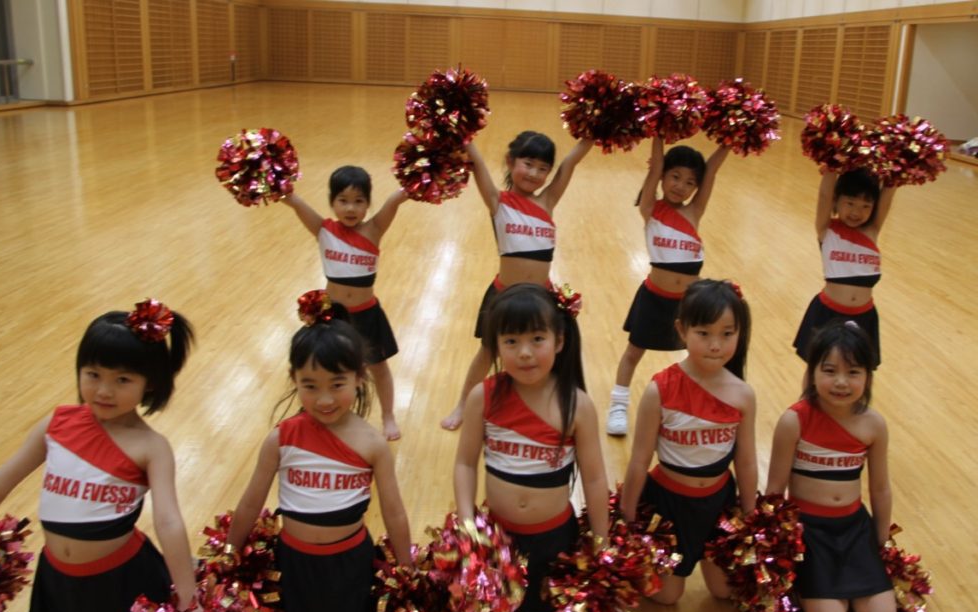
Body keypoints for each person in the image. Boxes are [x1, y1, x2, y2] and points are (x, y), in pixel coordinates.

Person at [0, 299, 197, 612]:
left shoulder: (151, 447)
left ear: (149, 383)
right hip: (59, 577)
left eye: (122, 380)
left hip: (125, 577)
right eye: (93, 374)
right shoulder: (57, 423)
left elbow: (168, 521)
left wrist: (187, 593)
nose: (103, 390)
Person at [226, 290, 412, 612]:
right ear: (293, 378)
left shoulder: (372, 443)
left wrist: (407, 570)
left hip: (351, 561)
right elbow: (250, 502)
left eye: (336, 385)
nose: (324, 399)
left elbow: (394, 511)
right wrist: (230, 553)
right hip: (294, 562)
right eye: (310, 386)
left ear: (359, 378)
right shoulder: (280, 438)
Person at [453, 283, 609, 612]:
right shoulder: (483, 396)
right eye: (511, 342)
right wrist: (468, 526)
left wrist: (602, 540)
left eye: (537, 339)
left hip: (554, 538)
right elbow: (464, 463)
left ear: (560, 341)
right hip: (499, 537)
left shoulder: (577, 404)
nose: (525, 353)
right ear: (496, 346)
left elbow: (595, 479)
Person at [440, 131, 594, 431]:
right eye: (528, 163)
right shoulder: (498, 201)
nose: (535, 174)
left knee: (550, 352)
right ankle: (462, 405)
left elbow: (571, 163)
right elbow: (477, 161)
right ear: (511, 162)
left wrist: (593, 132)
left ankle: (552, 404)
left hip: (542, 298)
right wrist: (463, 132)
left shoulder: (548, 201)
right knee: (487, 352)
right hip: (504, 295)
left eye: (543, 168)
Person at [619, 279, 756, 605]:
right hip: (668, 504)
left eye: (727, 334)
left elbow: (747, 461)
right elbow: (639, 460)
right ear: (682, 330)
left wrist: (750, 516)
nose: (715, 345)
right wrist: (626, 515)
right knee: (667, 596)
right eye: (704, 333)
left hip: (718, 503)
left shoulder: (743, 394)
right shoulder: (660, 390)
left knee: (724, 592)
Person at [766, 321, 895, 612]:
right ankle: (805, 583)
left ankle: (847, 590)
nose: (841, 382)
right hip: (809, 534)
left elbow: (879, 488)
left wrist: (879, 541)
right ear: (811, 373)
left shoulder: (874, 425)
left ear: (868, 376)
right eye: (829, 370)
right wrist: (775, 548)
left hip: (855, 530)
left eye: (853, 372)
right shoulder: (793, 420)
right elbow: (774, 489)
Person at [606, 137, 730, 435]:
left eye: (689, 182)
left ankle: (699, 404)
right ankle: (618, 405)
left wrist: (729, 139)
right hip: (654, 296)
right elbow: (655, 167)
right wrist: (659, 134)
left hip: (690, 301)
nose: (680, 186)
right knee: (634, 352)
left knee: (700, 354)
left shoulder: (694, 211)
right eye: (674, 177)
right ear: (662, 176)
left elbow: (711, 171)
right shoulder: (650, 208)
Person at [281, 165, 409, 440]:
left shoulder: (374, 228)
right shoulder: (322, 229)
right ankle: (317, 413)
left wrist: (417, 182)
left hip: (368, 314)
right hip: (333, 317)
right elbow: (294, 202)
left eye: (359, 201)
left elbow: (396, 199)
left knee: (379, 368)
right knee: (326, 368)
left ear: (367, 204)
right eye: (343, 201)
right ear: (332, 202)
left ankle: (388, 415)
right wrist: (278, 187)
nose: (351, 208)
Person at [792, 168, 895, 365]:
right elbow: (824, 194)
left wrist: (901, 163)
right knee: (818, 368)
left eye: (866, 206)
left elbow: (889, 192)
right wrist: (832, 159)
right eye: (850, 203)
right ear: (836, 201)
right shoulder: (827, 230)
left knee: (858, 370)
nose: (857, 212)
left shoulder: (872, 231)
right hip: (827, 313)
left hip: (864, 316)